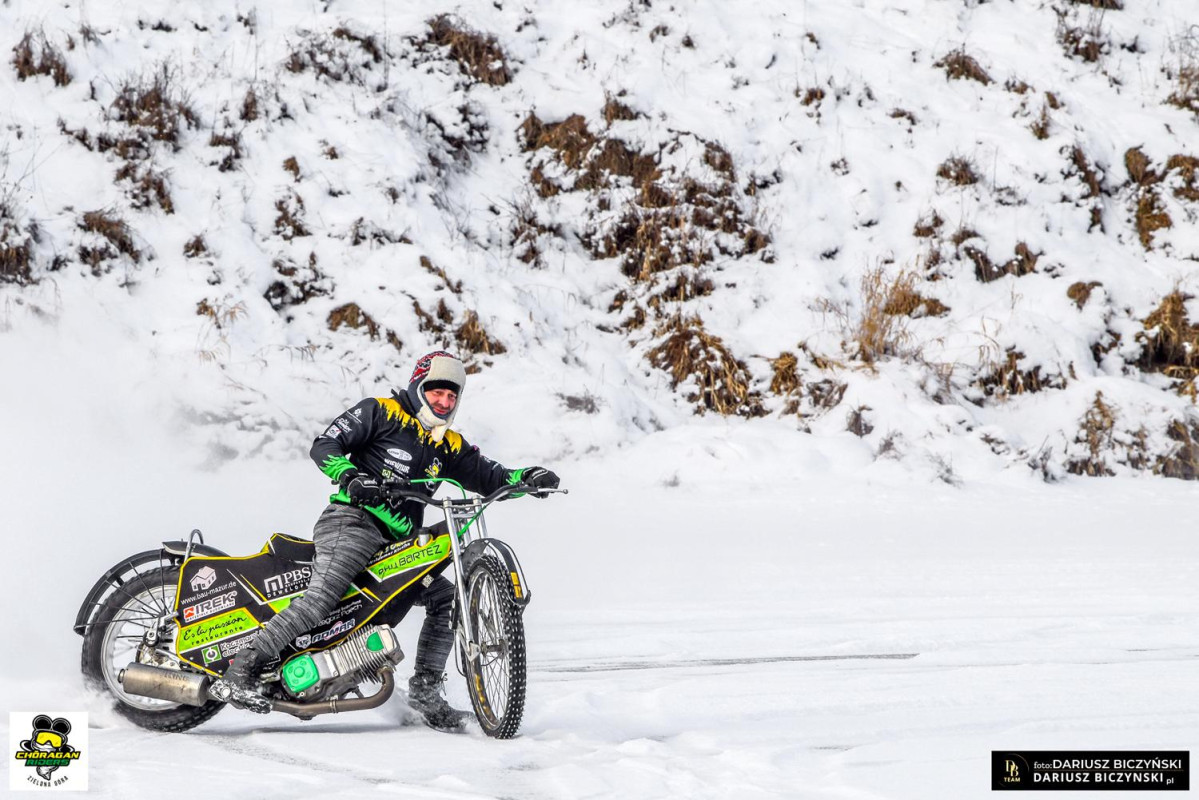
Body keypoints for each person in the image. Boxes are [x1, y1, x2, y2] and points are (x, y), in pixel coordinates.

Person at [211, 350, 560, 729]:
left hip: (399, 545)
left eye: (452, 396)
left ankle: (425, 693)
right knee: (323, 597)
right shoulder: (380, 412)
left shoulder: (448, 444)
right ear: (419, 387)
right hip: (352, 522)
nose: (444, 402)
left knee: (445, 598)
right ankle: (242, 668)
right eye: (437, 392)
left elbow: (492, 477)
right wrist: (350, 476)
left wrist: (528, 478)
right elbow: (324, 445)